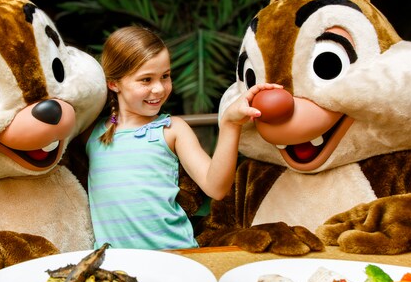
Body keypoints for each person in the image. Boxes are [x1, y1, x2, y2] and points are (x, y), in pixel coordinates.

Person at [86, 25, 282, 249]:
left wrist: (230, 124)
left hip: (176, 257)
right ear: (114, 83)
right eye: (146, 80)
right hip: (115, 266)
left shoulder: (171, 129)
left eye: (165, 76)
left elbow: (216, 187)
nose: (159, 88)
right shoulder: (94, 133)